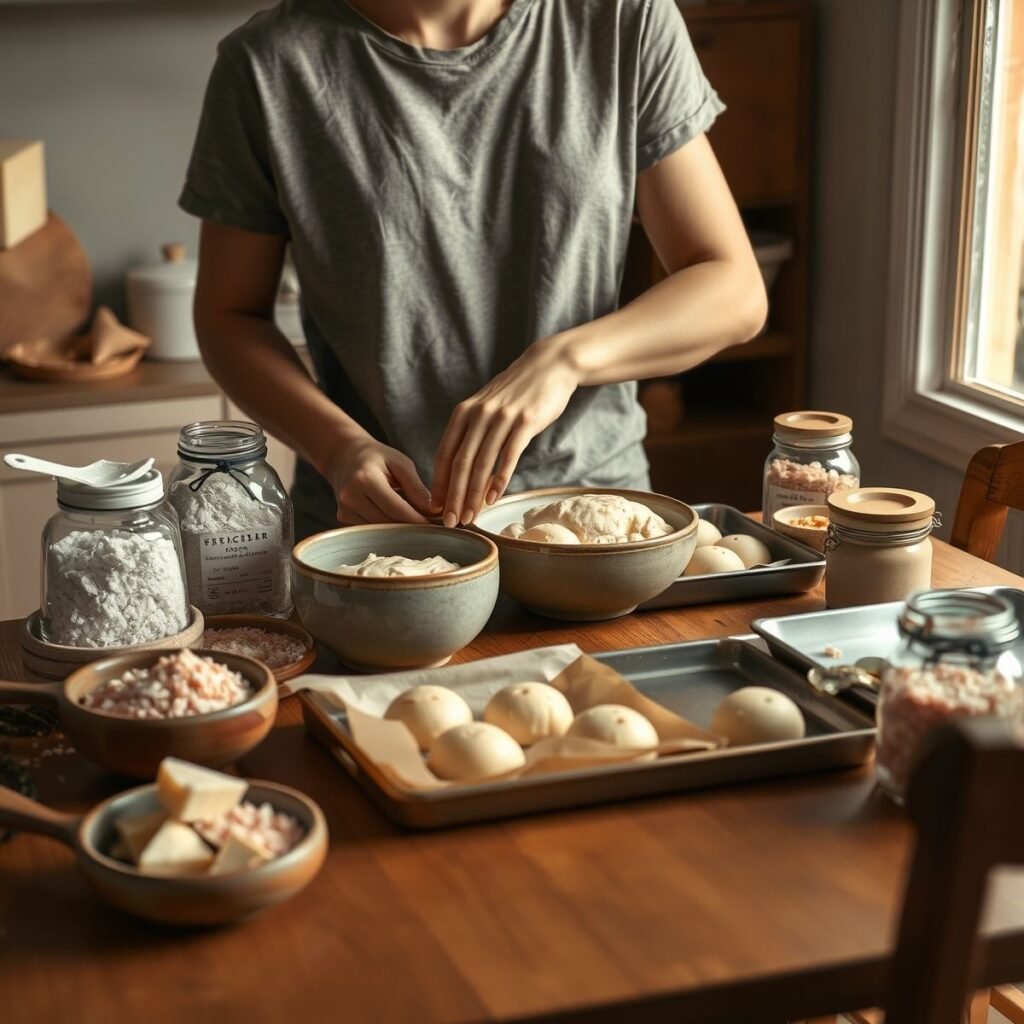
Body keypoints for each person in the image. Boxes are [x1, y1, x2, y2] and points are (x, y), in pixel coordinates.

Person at [180, 0, 767, 539]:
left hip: (596, 523)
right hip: (376, 529)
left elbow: (733, 287)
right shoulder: (266, 64)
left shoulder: (621, 19)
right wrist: (338, 449)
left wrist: (563, 361)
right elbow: (231, 316)